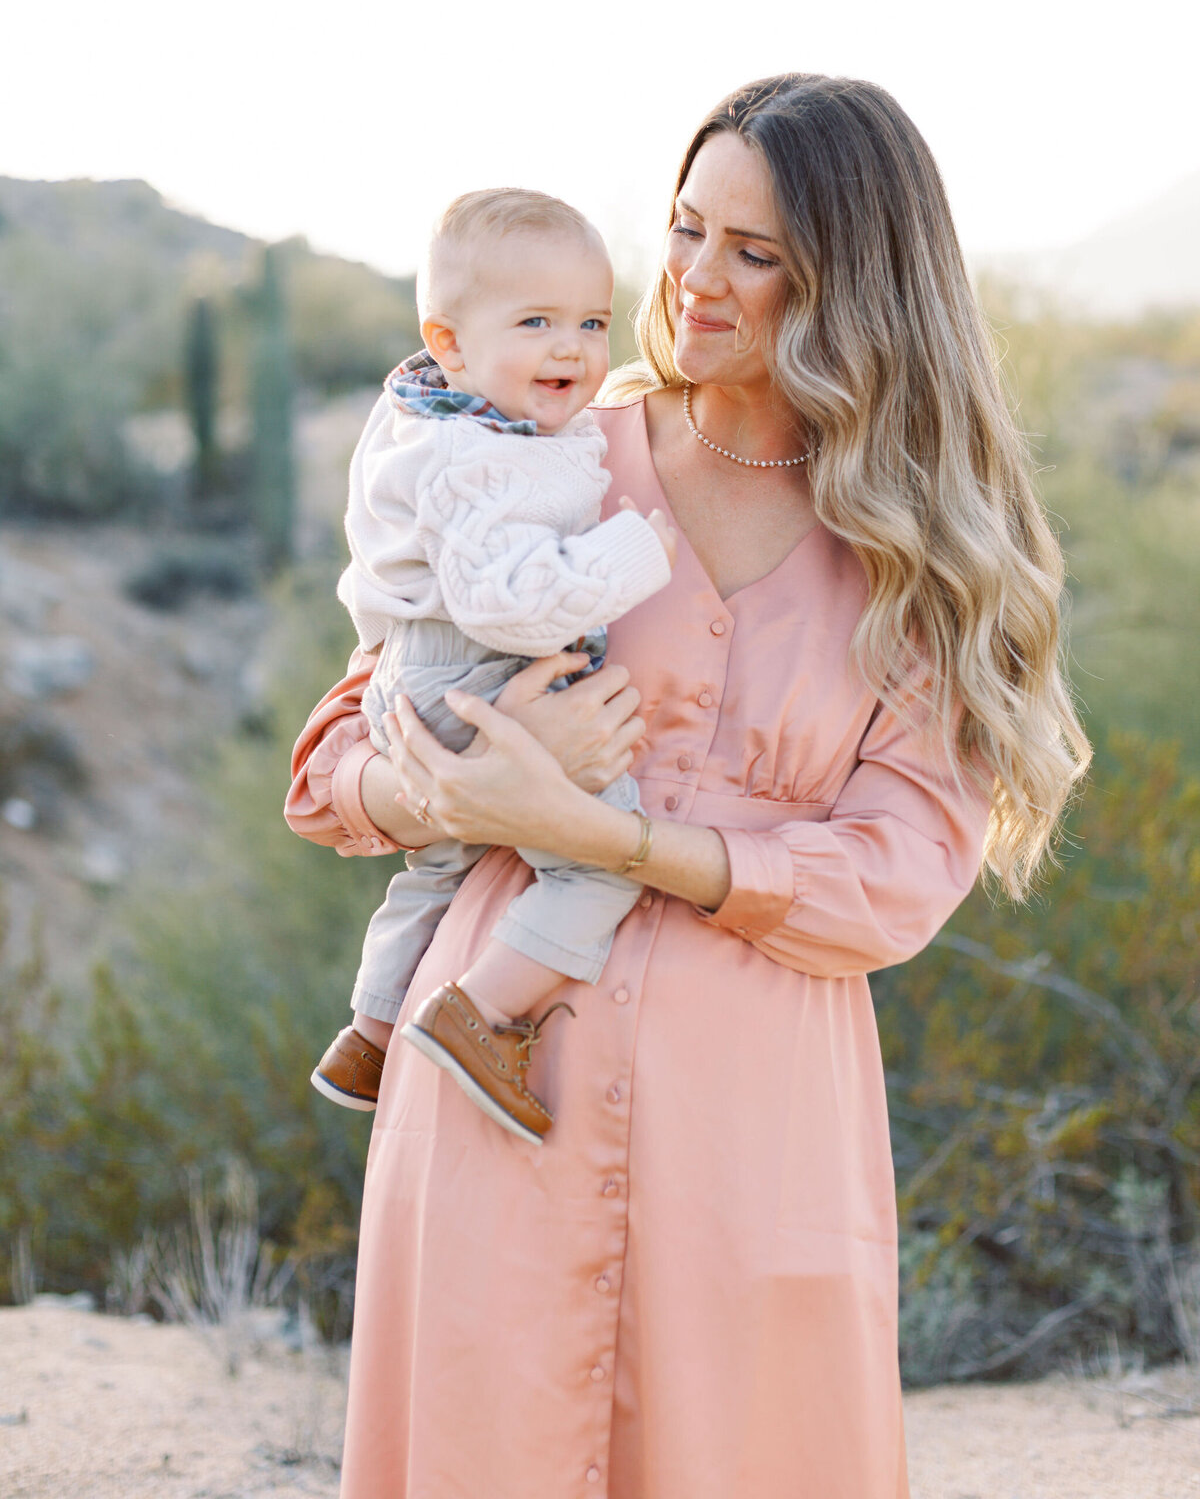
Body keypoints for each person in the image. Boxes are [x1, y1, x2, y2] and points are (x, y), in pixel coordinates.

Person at [285, 74, 1089, 1498]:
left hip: (753, 1138)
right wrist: (452, 805)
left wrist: (608, 837)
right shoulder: (542, 451)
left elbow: (895, 880)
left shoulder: (923, 550)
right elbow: (338, 758)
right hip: (488, 1101)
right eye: (684, 227)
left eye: (754, 252)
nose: (695, 279)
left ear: (857, 285)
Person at [311, 188, 674, 1141]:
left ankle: (372, 1034)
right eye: (538, 322)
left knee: (441, 869)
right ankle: (485, 1016)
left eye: (592, 322)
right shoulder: (484, 455)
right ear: (451, 341)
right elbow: (506, 604)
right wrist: (635, 552)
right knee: (602, 859)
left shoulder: (430, 416)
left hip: (420, 673)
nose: (572, 349)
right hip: (472, 675)